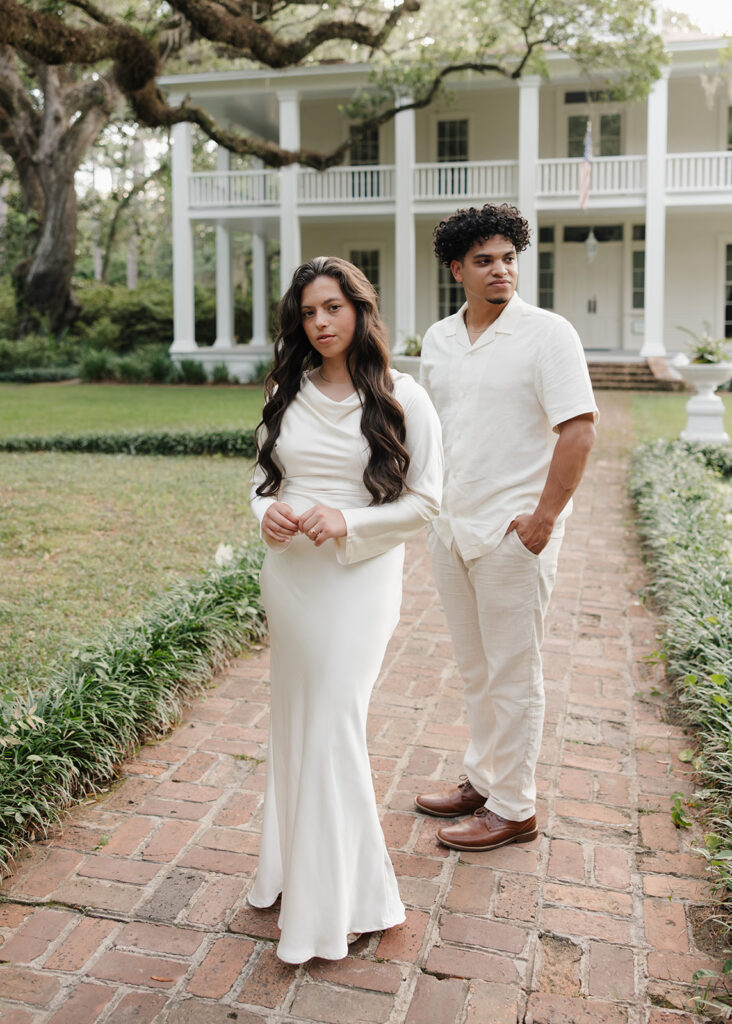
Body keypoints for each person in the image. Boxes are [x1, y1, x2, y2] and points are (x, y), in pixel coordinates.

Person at [248, 256, 443, 963]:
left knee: (332, 725)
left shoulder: (403, 398)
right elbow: (264, 480)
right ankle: (293, 872)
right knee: (298, 723)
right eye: (308, 312)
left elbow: (427, 502)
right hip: (291, 579)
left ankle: (354, 898)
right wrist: (265, 513)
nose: (321, 322)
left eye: (333, 307)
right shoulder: (285, 389)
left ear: (360, 309)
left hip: (358, 583)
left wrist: (350, 524)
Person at [415, 204, 598, 853]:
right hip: (452, 530)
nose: (502, 270)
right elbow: (429, 431)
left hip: (512, 535)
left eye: (510, 258)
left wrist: (546, 518)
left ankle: (516, 806)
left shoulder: (549, 335)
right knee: (474, 668)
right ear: (457, 269)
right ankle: (484, 779)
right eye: (486, 260)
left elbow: (578, 429)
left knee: (515, 671)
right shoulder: (438, 340)